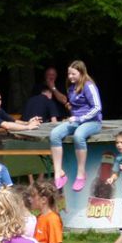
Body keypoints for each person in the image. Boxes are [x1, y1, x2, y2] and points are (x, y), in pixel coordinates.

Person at [50, 60, 103, 192]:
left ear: (81, 72)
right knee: (54, 134)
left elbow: (97, 107)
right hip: (76, 121)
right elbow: (75, 106)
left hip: (92, 122)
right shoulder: (71, 87)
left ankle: (81, 173)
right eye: (69, 74)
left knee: (79, 135)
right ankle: (58, 172)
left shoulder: (89, 86)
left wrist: (80, 118)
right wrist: (72, 114)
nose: (70, 77)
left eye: (73, 74)